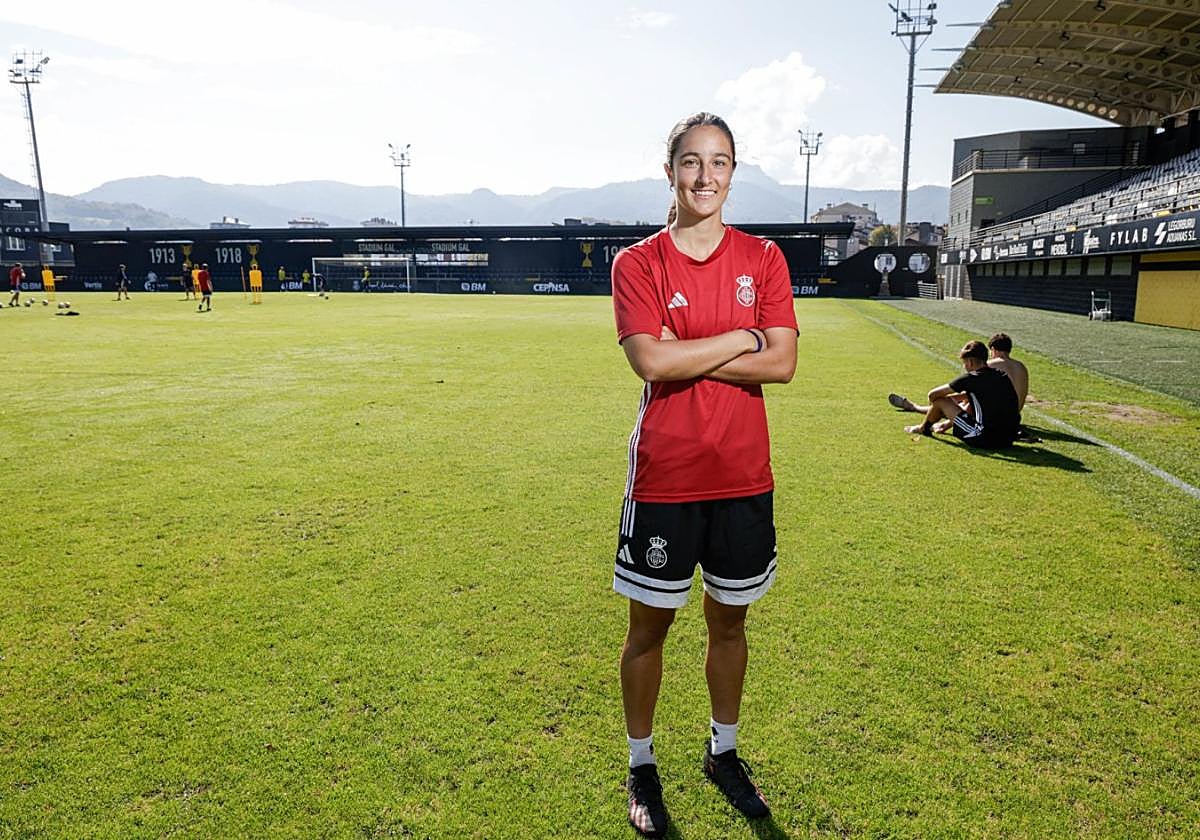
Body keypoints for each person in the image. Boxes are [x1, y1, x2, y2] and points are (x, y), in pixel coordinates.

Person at [612, 112, 796, 837]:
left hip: (744, 476)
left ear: (733, 172)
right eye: (692, 162)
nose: (705, 176)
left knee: (730, 623)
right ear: (671, 172)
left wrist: (692, 346)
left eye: (719, 163)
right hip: (665, 479)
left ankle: (723, 753)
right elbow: (651, 362)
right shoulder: (640, 263)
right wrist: (741, 337)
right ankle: (642, 764)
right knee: (647, 633)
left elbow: (781, 363)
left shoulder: (765, 259)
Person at [901, 340, 1020, 448]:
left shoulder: (971, 378)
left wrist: (939, 407)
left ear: (970, 362)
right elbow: (982, 396)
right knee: (971, 405)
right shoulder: (1001, 375)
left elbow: (932, 395)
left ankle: (923, 428)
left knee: (941, 401)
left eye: (964, 363)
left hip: (985, 438)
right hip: (1008, 439)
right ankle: (941, 426)